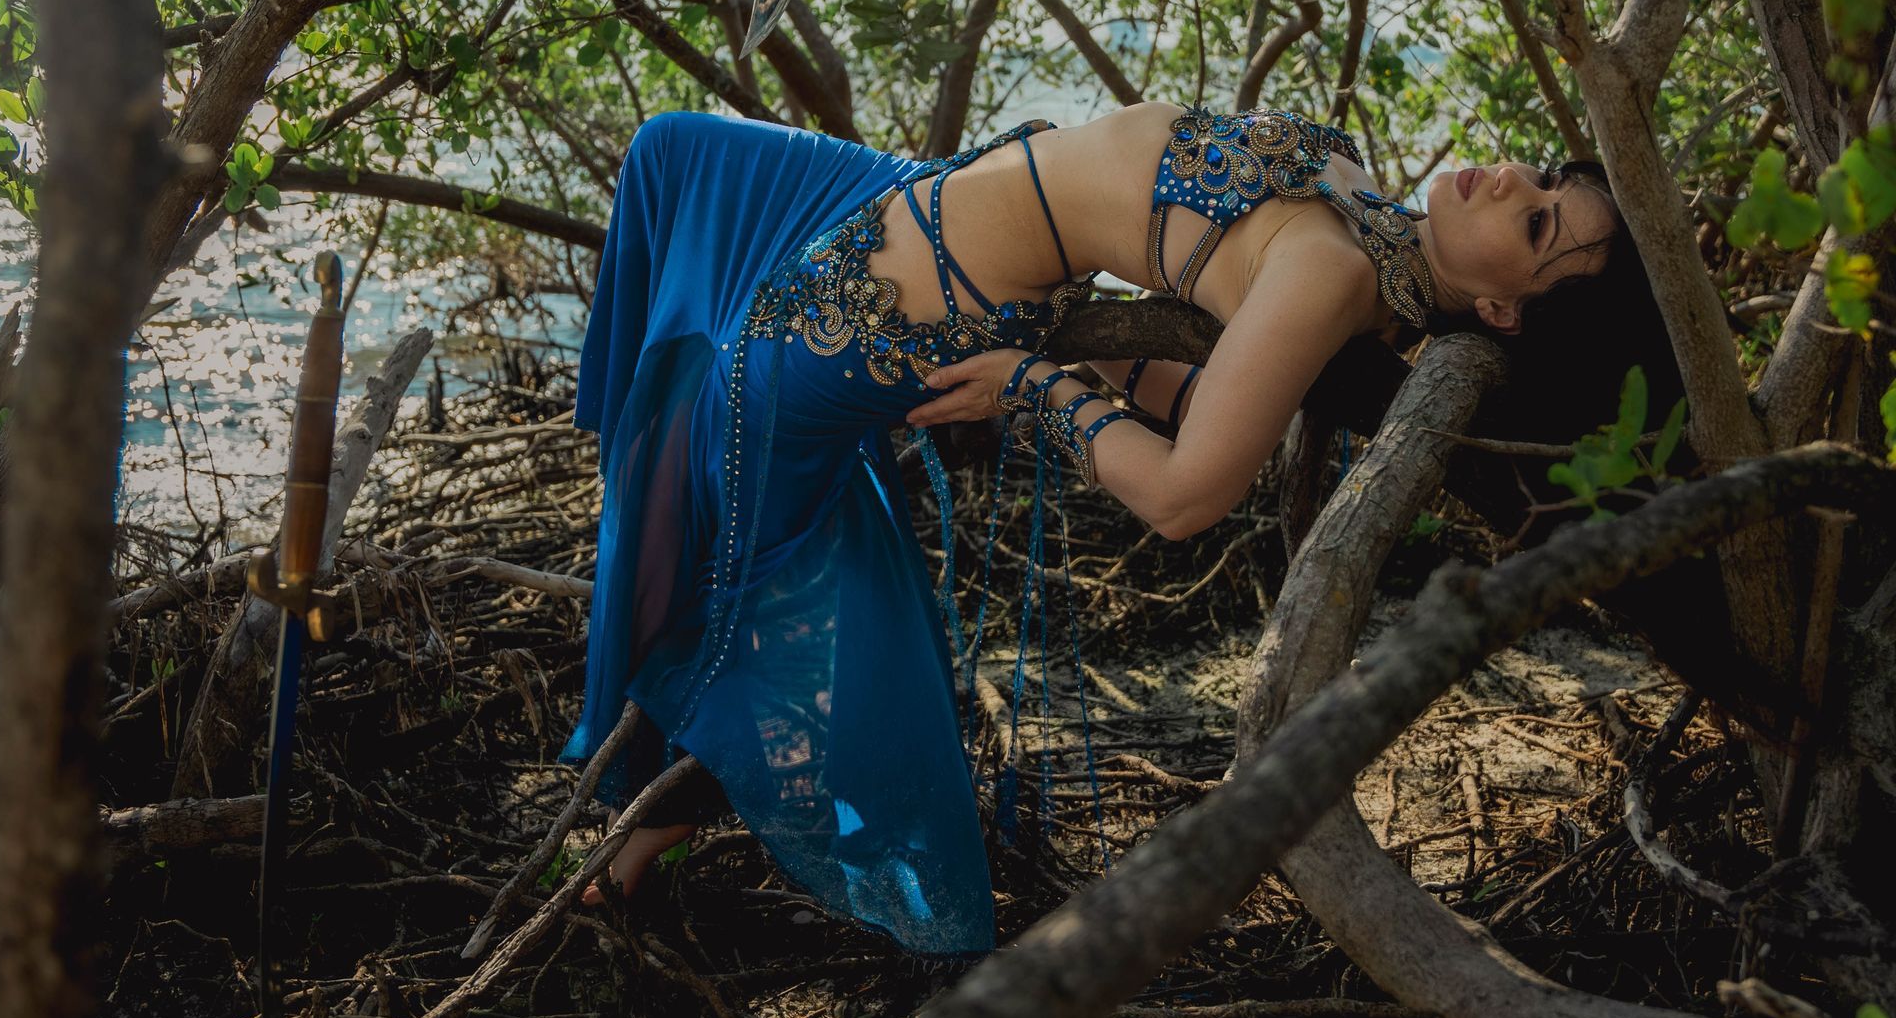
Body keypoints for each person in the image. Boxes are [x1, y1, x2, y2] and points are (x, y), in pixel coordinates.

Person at [560, 100, 1633, 955]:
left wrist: (1032, 386)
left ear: (1503, 312)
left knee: (702, 538)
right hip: (899, 189)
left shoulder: (1335, 274)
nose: (1514, 180)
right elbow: (1181, 356)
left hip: (879, 297)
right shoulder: (1368, 218)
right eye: (1545, 177)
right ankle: (652, 789)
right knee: (671, 153)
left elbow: (1184, 495)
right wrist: (1099, 355)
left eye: (1538, 223)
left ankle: (643, 834)